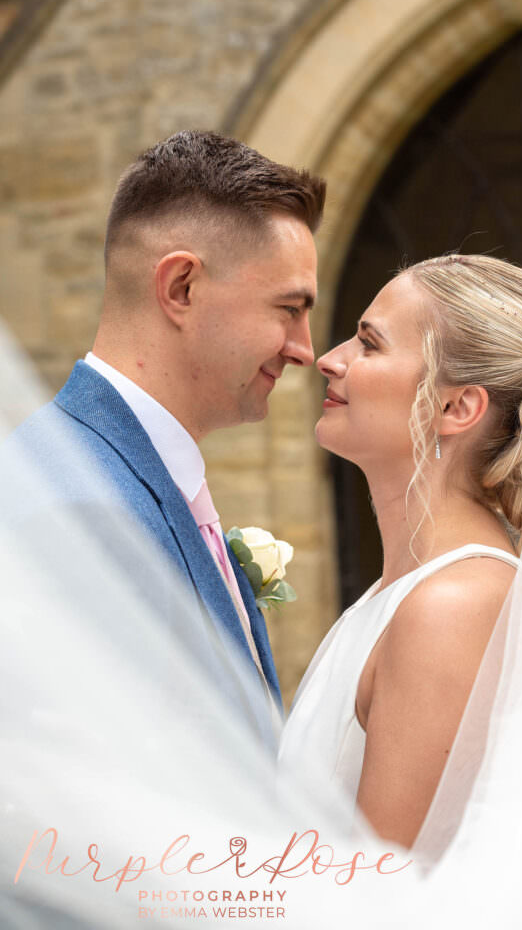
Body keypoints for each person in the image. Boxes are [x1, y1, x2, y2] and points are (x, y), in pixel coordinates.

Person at [279, 253, 522, 924]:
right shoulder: (399, 596)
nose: (330, 358)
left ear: (456, 406)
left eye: (369, 342)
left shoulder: (452, 606)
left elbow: (374, 900)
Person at [7, 130, 325, 751]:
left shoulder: (128, 471)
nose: (305, 350)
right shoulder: (76, 506)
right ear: (181, 287)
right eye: (289, 308)